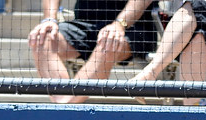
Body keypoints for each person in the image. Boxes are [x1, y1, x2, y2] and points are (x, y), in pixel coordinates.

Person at [28, 0, 159, 104]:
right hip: (85, 23)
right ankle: (64, 103)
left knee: (109, 41)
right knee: (42, 38)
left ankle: (65, 106)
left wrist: (119, 24)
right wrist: (49, 19)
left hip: (133, 28)